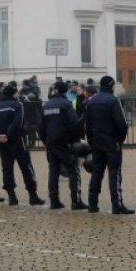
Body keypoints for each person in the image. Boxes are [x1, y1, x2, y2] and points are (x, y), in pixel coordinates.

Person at [85, 76, 134, 214]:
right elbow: (122, 124)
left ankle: (92, 204)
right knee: (114, 174)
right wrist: (120, 139)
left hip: (96, 141)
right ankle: (116, 205)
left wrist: (90, 139)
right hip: (112, 142)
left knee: (96, 173)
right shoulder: (113, 100)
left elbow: (87, 123)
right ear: (111, 86)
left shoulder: (91, 101)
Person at [0, 84, 45, 206]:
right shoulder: (17, 104)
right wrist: (8, 134)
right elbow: (18, 122)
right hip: (17, 141)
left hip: (2, 143)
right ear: (14, 93)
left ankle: (12, 196)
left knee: (7, 169)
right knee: (26, 168)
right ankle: (33, 195)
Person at [39, 81, 88, 210]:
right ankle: (75, 201)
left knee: (53, 171)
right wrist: (75, 140)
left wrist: (46, 141)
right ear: (65, 91)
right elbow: (73, 124)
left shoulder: (46, 105)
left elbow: (41, 127)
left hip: (51, 143)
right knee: (73, 170)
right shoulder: (66, 104)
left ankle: (54, 200)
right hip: (64, 143)